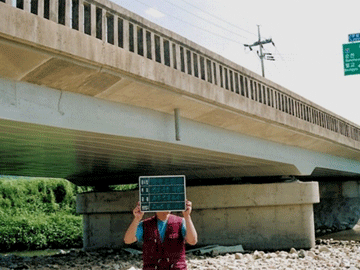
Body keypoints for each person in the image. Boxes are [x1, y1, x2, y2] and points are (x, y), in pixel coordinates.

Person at [124, 200, 198, 270]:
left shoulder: (181, 222)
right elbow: (128, 240)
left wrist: (187, 216)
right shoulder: (145, 224)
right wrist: (137, 218)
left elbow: (193, 241)